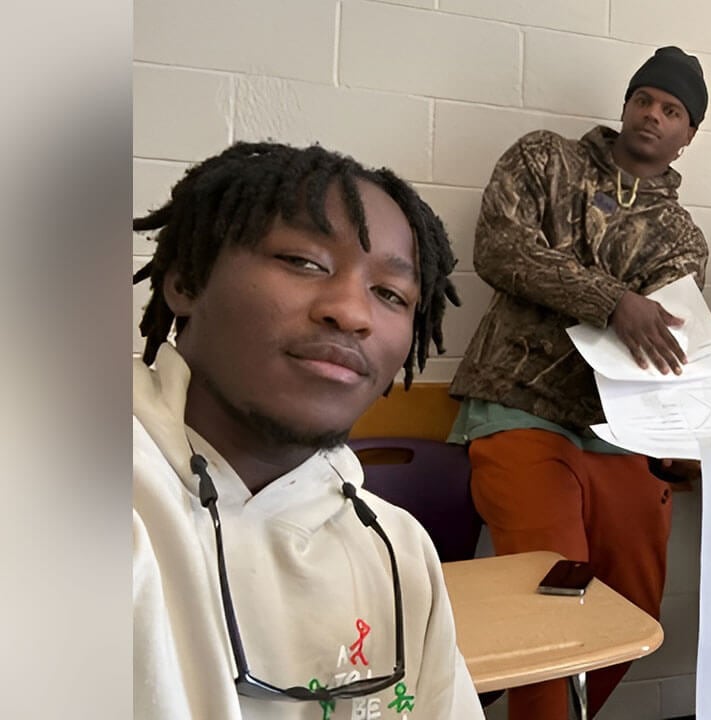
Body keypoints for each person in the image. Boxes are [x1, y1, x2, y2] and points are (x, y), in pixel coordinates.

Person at [131, 141, 484, 719]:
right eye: (303, 262)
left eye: (391, 294)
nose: (352, 312)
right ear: (187, 283)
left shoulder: (398, 549)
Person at [446, 45, 710, 718]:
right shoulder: (544, 158)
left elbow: (662, 340)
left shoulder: (682, 237)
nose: (653, 113)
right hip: (516, 406)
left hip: (616, 431)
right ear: (625, 107)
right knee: (556, 593)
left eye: (671, 109)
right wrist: (614, 303)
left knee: (633, 604)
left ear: (687, 137)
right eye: (644, 99)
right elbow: (502, 249)